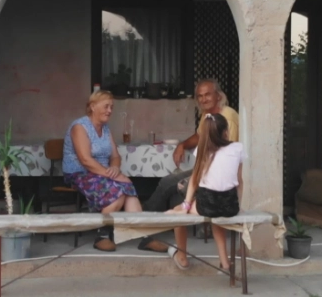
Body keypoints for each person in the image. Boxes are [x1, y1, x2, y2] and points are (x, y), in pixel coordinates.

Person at [62, 90, 169, 253]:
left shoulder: (105, 128)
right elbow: (85, 160)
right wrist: (110, 175)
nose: (110, 110)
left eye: (111, 107)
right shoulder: (80, 127)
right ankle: (102, 236)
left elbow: (115, 156)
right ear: (93, 106)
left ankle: (145, 237)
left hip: (101, 172)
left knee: (127, 186)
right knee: (118, 191)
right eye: (106, 106)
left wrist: (115, 168)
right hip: (80, 173)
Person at [143, 78, 239, 213]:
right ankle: (148, 216)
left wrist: (203, 175)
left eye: (207, 94)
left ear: (218, 96)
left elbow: (228, 155)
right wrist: (182, 145)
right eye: (200, 96)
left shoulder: (227, 118)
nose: (203, 99)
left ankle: (146, 216)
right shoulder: (208, 115)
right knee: (168, 183)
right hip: (204, 168)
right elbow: (200, 136)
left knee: (178, 187)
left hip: (216, 173)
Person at [166, 113, 245, 271]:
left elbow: (194, 181)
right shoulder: (238, 148)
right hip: (230, 206)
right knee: (217, 215)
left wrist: (185, 206)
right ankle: (224, 261)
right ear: (226, 132)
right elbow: (239, 181)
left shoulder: (202, 149)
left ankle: (182, 257)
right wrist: (238, 206)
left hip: (207, 204)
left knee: (177, 211)